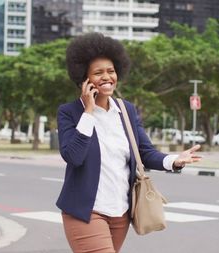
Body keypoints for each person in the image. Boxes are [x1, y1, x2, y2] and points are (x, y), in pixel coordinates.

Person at [56, 32, 202, 253]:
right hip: (86, 212)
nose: (107, 77)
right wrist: (88, 112)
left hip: (121, 213)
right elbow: (73, 156)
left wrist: (174, 160)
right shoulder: (70, 113)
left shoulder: (126, 110)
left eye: (111, 71)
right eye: (98, 73)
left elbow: (145, 152)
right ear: (83, 79)